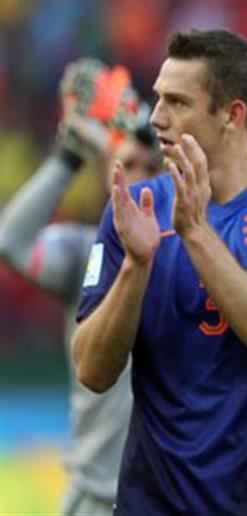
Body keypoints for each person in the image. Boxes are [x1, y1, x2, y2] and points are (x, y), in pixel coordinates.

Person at [71, 29, 247, 514]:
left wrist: (195, 232)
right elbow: (91, 371)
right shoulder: (135, 209)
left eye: (177, 102)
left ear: (232, 115)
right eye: (158, 98)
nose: (156, 117)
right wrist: (136, 266)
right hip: (150, 502)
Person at [0, 57, 158, 516]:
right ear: (109, 172)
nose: (141, 178)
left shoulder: (196, 255)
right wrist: (69, 155)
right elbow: (11, 243)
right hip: (95, 494)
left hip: (169, 495)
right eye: (129, 164)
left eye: (154, 166)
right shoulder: (86, 251)